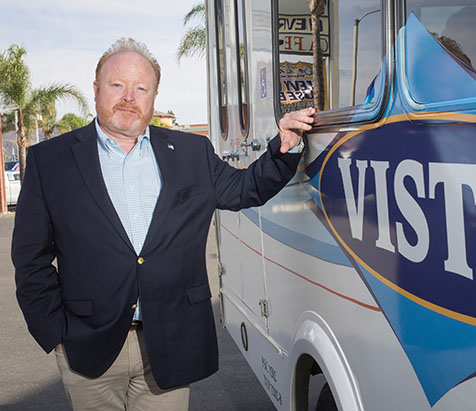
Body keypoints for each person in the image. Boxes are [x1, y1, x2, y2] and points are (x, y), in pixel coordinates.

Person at [12, 38, 314, 411]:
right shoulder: (50, 160)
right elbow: (30, 257)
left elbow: (244, 189)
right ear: (96, 90)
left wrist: (285, 146)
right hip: (87, 344)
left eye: (141, 88)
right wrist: (55, 332)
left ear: (154, 97)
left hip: (170, 341)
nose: (129, 97)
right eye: (117, 85)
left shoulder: (191, 151)